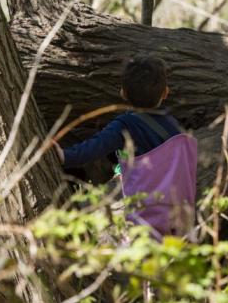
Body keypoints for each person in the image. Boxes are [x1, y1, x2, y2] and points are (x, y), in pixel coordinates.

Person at [54, 56, 197, 239]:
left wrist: (66, 156)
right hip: (177, 210)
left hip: (142, 210)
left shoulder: (125, 124)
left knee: (84, 210)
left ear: (123, 93)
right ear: (166, 92)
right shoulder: (174, 124)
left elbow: (97, 146)